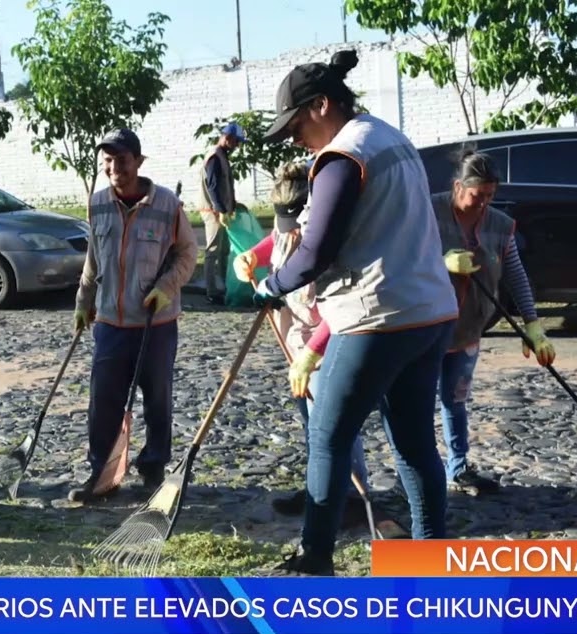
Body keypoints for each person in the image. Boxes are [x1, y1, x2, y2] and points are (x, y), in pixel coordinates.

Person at [252, 50, 459, 575]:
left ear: (322, 105)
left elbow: (316, 250)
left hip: (375, 318)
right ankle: (430, 554)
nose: (295, 139)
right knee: (414, 441)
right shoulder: (391, 138)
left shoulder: (343, 157)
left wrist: (270, 285)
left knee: (328, 435)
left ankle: (315, 557)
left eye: (296, 125)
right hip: (430, 312)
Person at [70, 128, 198, 502]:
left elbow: (187, 254)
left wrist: (166, 287)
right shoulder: (97, 204)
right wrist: (84, 300)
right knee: (104, 400)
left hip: (155, 324)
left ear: (139, 162)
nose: (114, 168)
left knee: (157, 398)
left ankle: (153, 469)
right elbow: (94, 259)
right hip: (110, 322)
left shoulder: (167, 205)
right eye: (107, 161)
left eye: (121, 160)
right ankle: (102, 473)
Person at [232, 161, 373, 493]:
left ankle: (351, 495)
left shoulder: (334, 243)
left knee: (334, 427)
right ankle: (319, 489)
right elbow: (275, 242)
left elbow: (342, 310)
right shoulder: (285, 230)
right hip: (294, 345)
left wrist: (312, 354)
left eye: (295, 225)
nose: (290, 232)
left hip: (327, 348)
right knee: (311, 424)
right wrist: (252, 256)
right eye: (284, 225)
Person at [431, 148, 557, 495]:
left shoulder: (500, 226)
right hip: (423, 329)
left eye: (490, 195)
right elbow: (399, 256)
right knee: (415, 404)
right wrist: (438, 263)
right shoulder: (428, 212)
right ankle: (419, 474)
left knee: (455, 401)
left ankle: (457, 469)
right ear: (459, 186)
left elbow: (515, 273)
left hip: (469, 328)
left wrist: (532, 324)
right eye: (477, 195)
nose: (484, 203)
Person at [200, 122, 247, 304]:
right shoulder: (214, 157)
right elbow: (212, 186)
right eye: (236, 142)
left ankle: (224, 286)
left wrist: (232, 206)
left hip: (222, 210)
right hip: (212, 211)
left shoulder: (222, 156)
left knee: (224, 251)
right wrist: (220, 210)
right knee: (212, 251)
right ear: (227, 138)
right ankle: (211, 292)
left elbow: (226, 184)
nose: (237, 146)